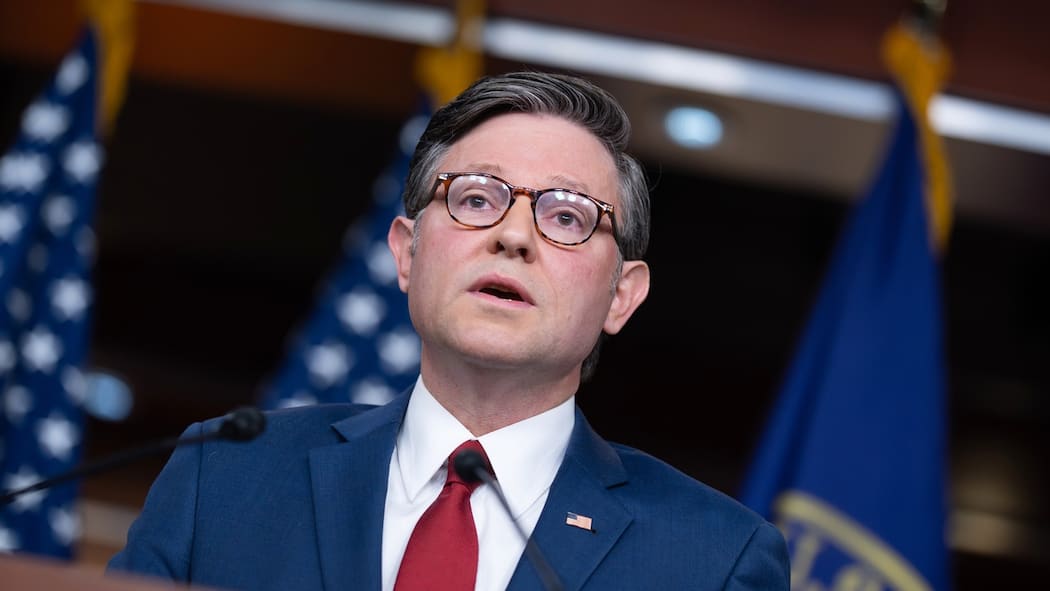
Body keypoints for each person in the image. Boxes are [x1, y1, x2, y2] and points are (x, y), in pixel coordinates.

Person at [108, 71, 789, 590]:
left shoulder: (713, 557)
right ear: (407, 253)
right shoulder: (225, 476)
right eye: (476, 198)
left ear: (621, 296)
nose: (513, 236)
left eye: (566, 216)